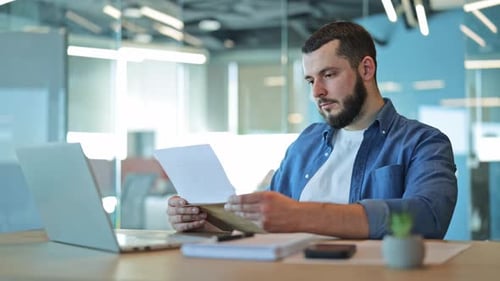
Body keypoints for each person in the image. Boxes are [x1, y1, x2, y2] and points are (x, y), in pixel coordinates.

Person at [167, 21, 457, 239]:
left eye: (328, 75)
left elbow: (427, 218)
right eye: (310, 81)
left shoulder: (423, 142)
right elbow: (265, 223)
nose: (317, 92)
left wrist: (300, 215)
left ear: (366, 70)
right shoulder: (307, 142)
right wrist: (208, 223)